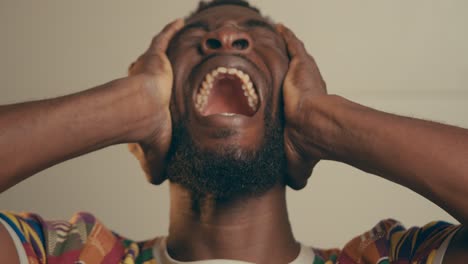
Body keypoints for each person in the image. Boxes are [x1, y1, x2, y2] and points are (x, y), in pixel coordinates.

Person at [0, 0, 467, 263]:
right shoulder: (68, 253)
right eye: (195, 33)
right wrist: (122, 108)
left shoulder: (387, 258)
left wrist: (327, 122)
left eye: (253, 32)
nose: (225, 35)